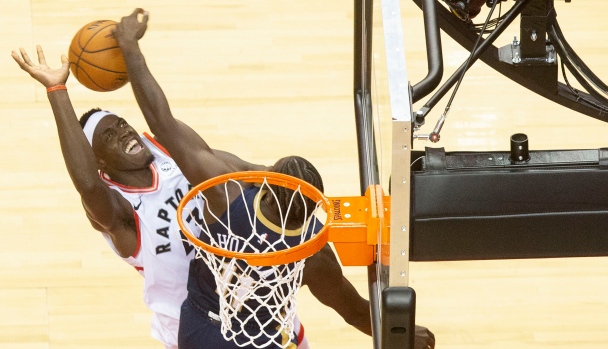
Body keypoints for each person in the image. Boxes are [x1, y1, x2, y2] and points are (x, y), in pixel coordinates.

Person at [112, 8, 436, 349]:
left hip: (200, 328)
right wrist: (401, 331)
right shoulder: (314, 254)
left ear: (265, 186)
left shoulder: (228, 193)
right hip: (261, 339)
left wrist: (129, 45)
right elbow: (354, 312)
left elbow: (162, 123)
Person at [11, 48, 310, 349]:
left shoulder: (172, 156)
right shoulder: (120, 211)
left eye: (122, 124)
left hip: (252, 298)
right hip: (197, 326)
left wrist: (296, 186)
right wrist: (57, 89)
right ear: (97, 161)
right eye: (109, 137)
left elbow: (244, 170)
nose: (124, 133)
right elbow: (87, 186)